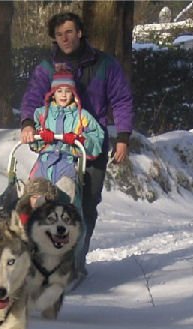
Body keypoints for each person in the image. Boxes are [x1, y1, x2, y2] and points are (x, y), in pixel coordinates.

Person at [19, 11, 133, 280]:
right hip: (55, 149)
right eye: (59, 34)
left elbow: (122, 100)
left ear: (79, 33)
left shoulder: (104, 64)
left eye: (69, 32)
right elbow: (33, 98)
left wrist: (123, 137)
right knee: (40, 197)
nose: (65, 38)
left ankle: (75, 263)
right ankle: (38, 258)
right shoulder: (47, 68)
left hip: (90, 145)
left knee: (86, 205)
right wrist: (28, 124)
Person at [28, 69, 104, 207]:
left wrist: (80, 139)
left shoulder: (82, 116)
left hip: (67, 162)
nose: (63, 95)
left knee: (66, 190)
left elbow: (97, 138)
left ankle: (63, 208)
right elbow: (34, 141)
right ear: (53, 93)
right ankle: (32, 209)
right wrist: (41, 135)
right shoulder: (42, 114)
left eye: (67, 91)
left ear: (73, 93)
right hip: (44, 162)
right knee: (34, 191)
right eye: (59, 91)